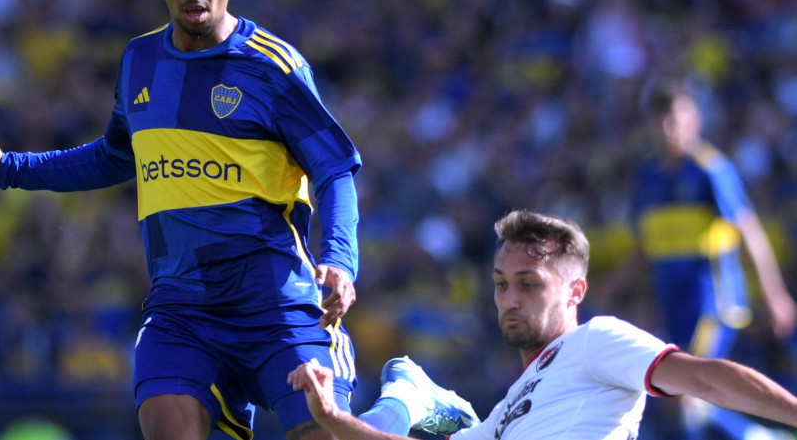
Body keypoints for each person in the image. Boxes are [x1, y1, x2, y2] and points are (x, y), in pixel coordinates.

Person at [0, 0, 362, 440]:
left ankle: (404, 404)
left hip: (278, 309)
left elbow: (333, 170)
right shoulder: (139, 60)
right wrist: (7, 169)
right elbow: (115, 155)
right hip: (181, 313)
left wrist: (340, 261)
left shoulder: (273, 66)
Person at [287, 210, 797, 439]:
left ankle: (417, 398)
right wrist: (332, 416)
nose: (509, 299)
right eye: (501, 283)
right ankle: (413, 398)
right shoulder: (509, 412)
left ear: (575, 291)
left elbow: (704, 377)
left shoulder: (596, 341)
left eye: (528, 283)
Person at [624, 78, 797, 439]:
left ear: (694, 120)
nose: (669, 129)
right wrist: (614, 285)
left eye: (676, 118)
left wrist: (775, 294)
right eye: (662, 121)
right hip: (672, 304)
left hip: (711, 301)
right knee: (678, 396)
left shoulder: (710, 169)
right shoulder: (648, 177)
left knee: (686, 394)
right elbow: (644, 244)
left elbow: (748, 230)